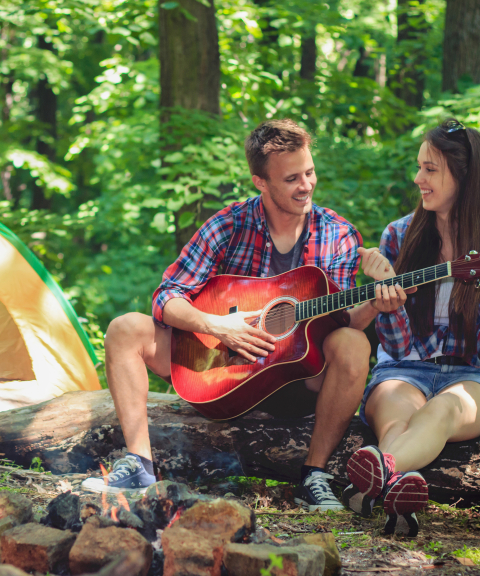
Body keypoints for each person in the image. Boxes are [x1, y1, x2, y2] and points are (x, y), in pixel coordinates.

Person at [81, 119, 403, 510]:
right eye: (291, 179)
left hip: (296, 378)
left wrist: (373, 303)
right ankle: (139, 464)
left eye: (310, 172)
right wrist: (216, 325)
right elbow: (167, 296)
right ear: (260, 182)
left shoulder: (338, 234)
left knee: (352, 343)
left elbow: (341, 323)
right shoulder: (228, 225)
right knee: (124, 329)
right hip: (219, 369)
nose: (306, 185)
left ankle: (314, 475)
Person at [340, 118, 480, 536]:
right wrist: (388, 303)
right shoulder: (398, 236)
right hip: (401, 371)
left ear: (464, 177)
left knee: (443, 409)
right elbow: (395, 345)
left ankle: (373, 479)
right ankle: (397, 489)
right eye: (419, 167)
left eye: (430, 169)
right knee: (398, 419)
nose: (418, 179)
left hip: (470, 378)